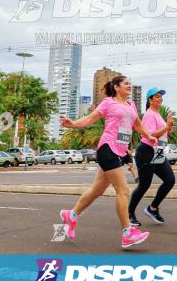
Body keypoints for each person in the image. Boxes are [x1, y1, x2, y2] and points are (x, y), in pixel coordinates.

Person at [58, 75, 156, 249]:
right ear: (117, 87)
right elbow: (90, 119)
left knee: (97, 190)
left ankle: (71, 215)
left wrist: (148, 136)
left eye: (130, 84)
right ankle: (127, 233)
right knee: (123, 189)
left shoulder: (131, 105)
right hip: (107, 148)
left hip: (119, 151)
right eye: (126, 83)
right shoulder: (108, 102)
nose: (129, 86)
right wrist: (71, 123)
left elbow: (138, 125)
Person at [128, 88, 176, 227]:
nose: (160, 98)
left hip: (158, 151)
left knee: (169, 180)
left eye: (161, 97)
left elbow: (160, 133)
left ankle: (152, 208)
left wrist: (168, 128)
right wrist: (166, 127)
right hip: (146, 151)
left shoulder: (158, 114)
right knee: (144, 185)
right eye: (157, 96)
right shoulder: (149, 114)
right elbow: (150, 135)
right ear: (150, 100)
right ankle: (129, 213)